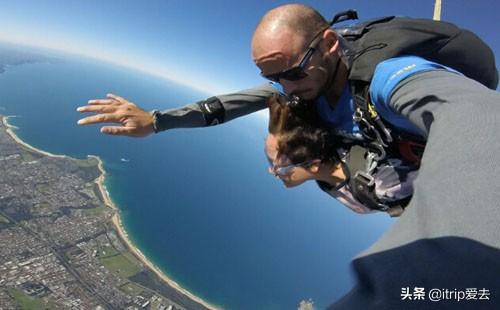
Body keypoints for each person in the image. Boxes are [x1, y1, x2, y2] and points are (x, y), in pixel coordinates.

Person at [77, 4, 500, 309]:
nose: (286, 85)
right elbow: (238, 102)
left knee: (368, 186)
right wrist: (156, 121)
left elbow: (480, 122)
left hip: (405, 168)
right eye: (273, 76)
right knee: (285, 126)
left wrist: (437, 272)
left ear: (330, 44)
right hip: (364, 161)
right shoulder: (299, 92)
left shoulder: (392, 79)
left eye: (293, 72)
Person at [266, 94, 415, 216]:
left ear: (313, 165)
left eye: (278, 167)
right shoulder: (326, 176)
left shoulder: (384, 183)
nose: (271, 171)